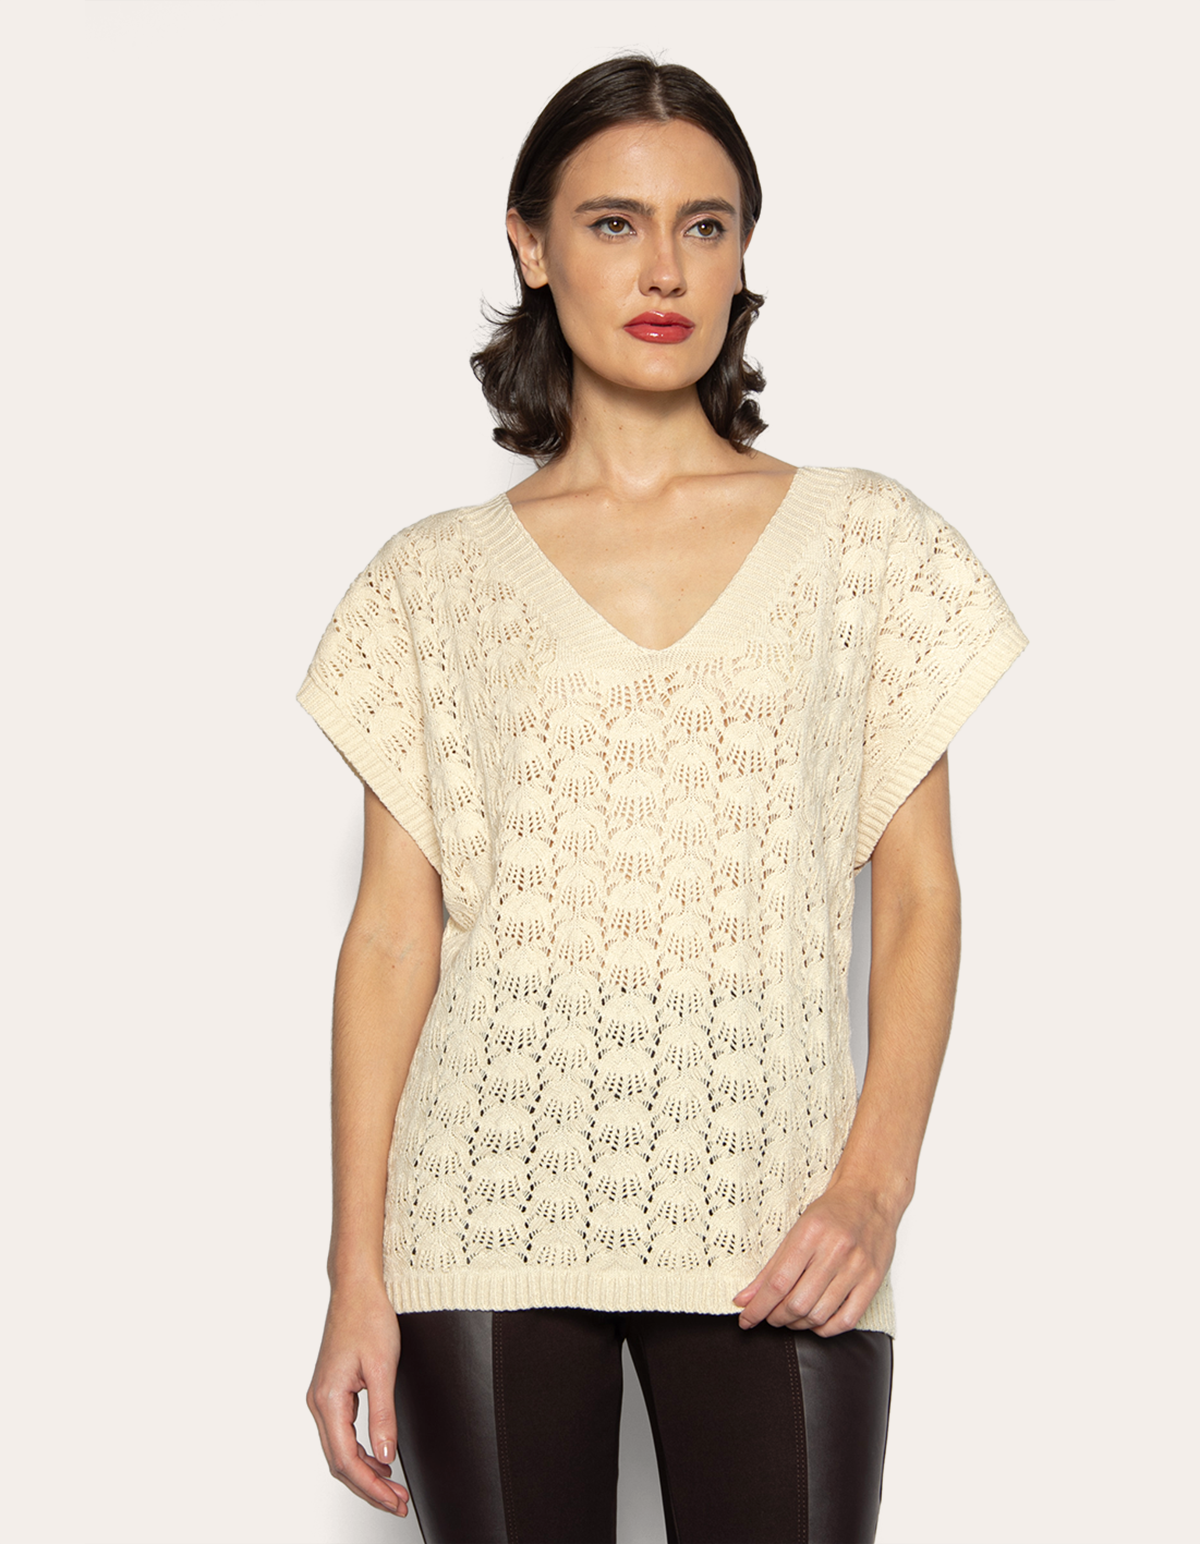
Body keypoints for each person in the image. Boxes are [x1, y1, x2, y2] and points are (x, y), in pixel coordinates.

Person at [298, 53, 1027, 1544]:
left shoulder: (867, 545)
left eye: (705, 225)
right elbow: (390, 938)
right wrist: (355, 1273)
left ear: (745, 251)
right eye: (613, 223)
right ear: (530, 243)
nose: (664, 271)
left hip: (783, 1209)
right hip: (482, 1209)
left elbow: (919, 896)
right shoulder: (428, 583)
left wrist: (874, 1190)